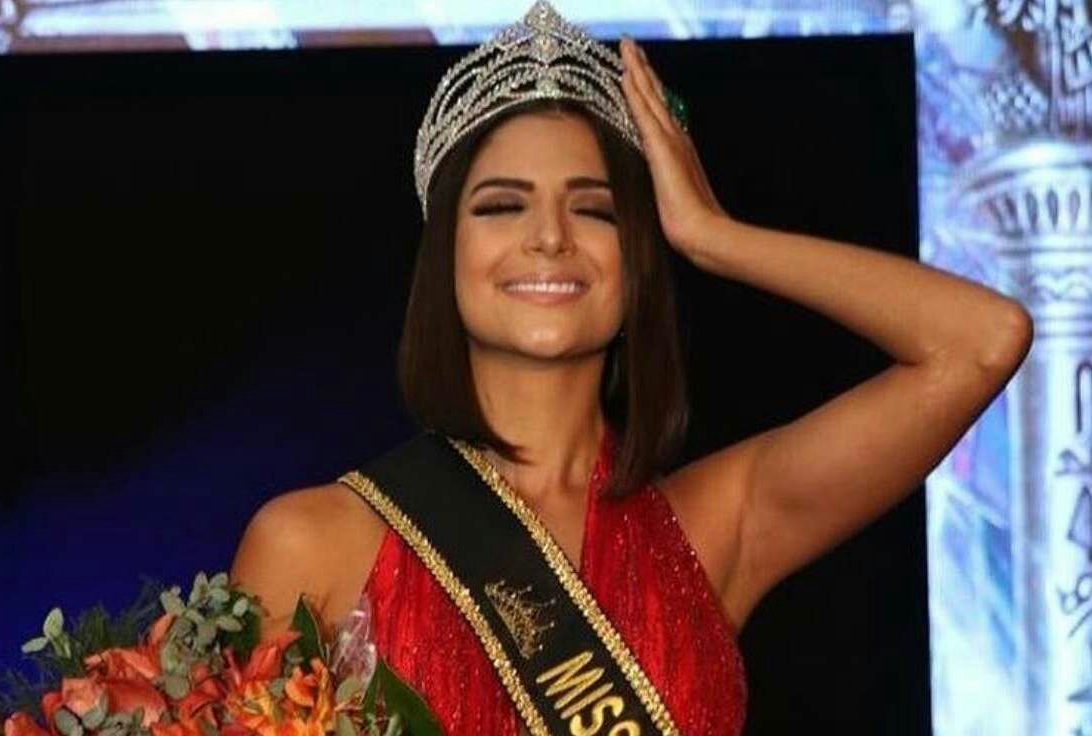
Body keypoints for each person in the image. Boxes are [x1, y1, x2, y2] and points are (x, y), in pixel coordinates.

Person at [228, 2, 1033, 734]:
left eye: (595, 209)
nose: (549, 237)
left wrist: (712, 236)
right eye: (502, 205)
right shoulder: (311, 542)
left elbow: (982, 341)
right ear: (444, 257)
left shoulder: (712, 530)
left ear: (636, 259)